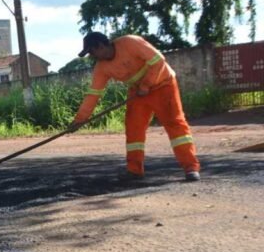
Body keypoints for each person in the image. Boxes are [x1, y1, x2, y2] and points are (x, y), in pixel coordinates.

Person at [71, 32, 201, 182]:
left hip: (163, 85)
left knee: (175, 125)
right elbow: (93, 94)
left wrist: (146, 84)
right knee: (134, 129)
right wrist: (79, 120)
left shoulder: (130, 43)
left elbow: (158, 60)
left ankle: (191, 167)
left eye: (92, 52)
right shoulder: (102, 68)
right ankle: (134, 170)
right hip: (138, 92)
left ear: (100, 46)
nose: (92, 57)